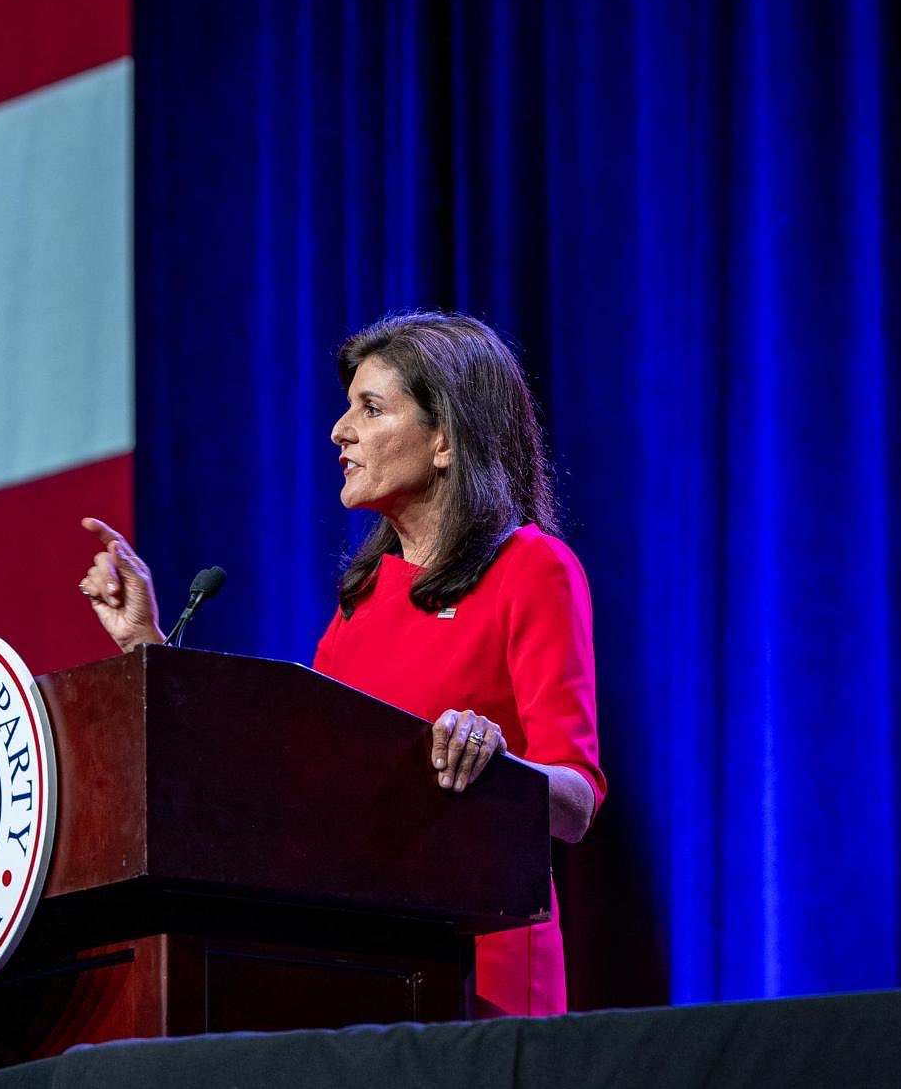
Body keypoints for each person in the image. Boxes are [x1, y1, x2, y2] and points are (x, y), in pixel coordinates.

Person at [78, 310, 604, 1017]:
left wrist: (495, 762)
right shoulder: (363, 601)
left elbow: (576, 803)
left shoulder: (532, 568)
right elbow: (286, 777)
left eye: (371, 408)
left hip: (485, 969)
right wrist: (146, 644)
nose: (339, 430)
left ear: (446, 439)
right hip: (369, 966)